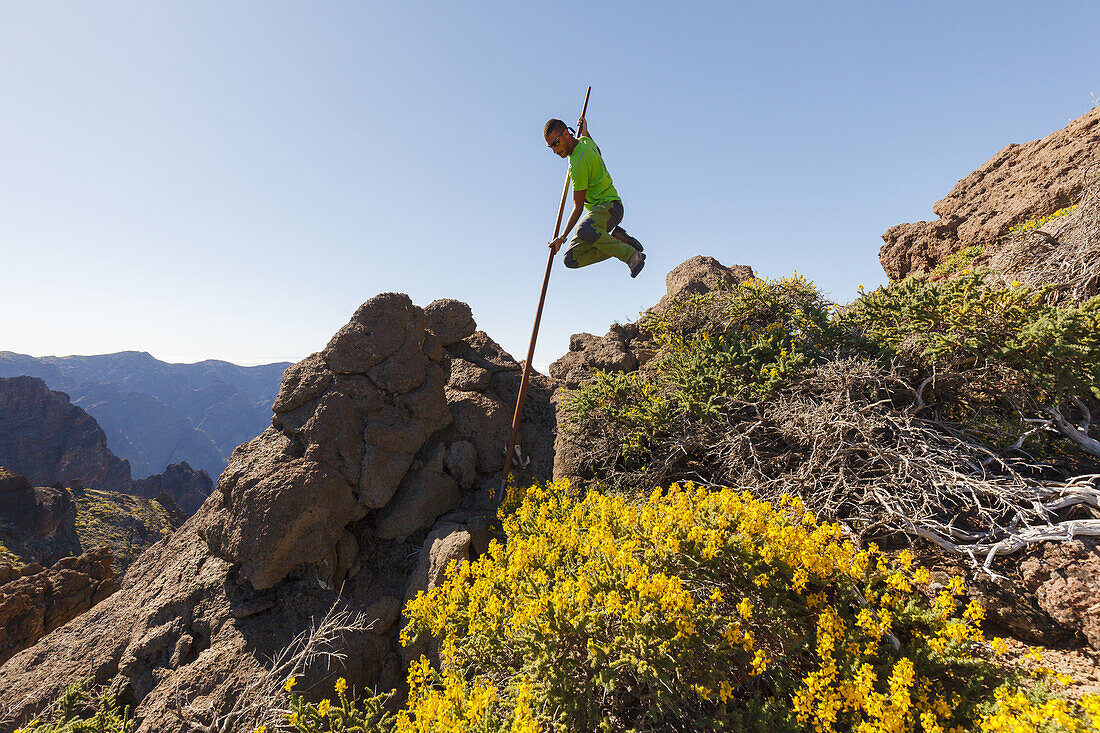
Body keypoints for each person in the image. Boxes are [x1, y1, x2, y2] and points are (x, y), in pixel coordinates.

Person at [544, 116, 645, 277]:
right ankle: (619, 241)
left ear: (565, 134)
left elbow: (578, 207)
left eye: (556, 143)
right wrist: (586, 132)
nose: (555, 151)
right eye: (551, 147)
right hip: (600, 213)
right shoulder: (585, 141)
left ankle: (631, 255)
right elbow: (598, 152)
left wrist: (562, 237)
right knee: (571, 259)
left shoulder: (576, 164)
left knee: (584, 229)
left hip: (610, 206)